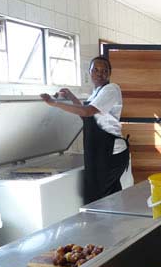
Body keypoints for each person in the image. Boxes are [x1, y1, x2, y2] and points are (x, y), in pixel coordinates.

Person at [40, 56, 129, 205]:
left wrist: (54, 103)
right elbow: (86, 116)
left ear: (110, 73)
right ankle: (106, 225)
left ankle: (110, 226)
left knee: (104, 195)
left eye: (104, 70)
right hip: (98, 150)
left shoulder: (111, 89)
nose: (100, 74)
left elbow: (87, 112)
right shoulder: (96, 93)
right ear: (90, 72)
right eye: (96, 70)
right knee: (101, 195)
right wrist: (71, 96)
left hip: (111, 151)